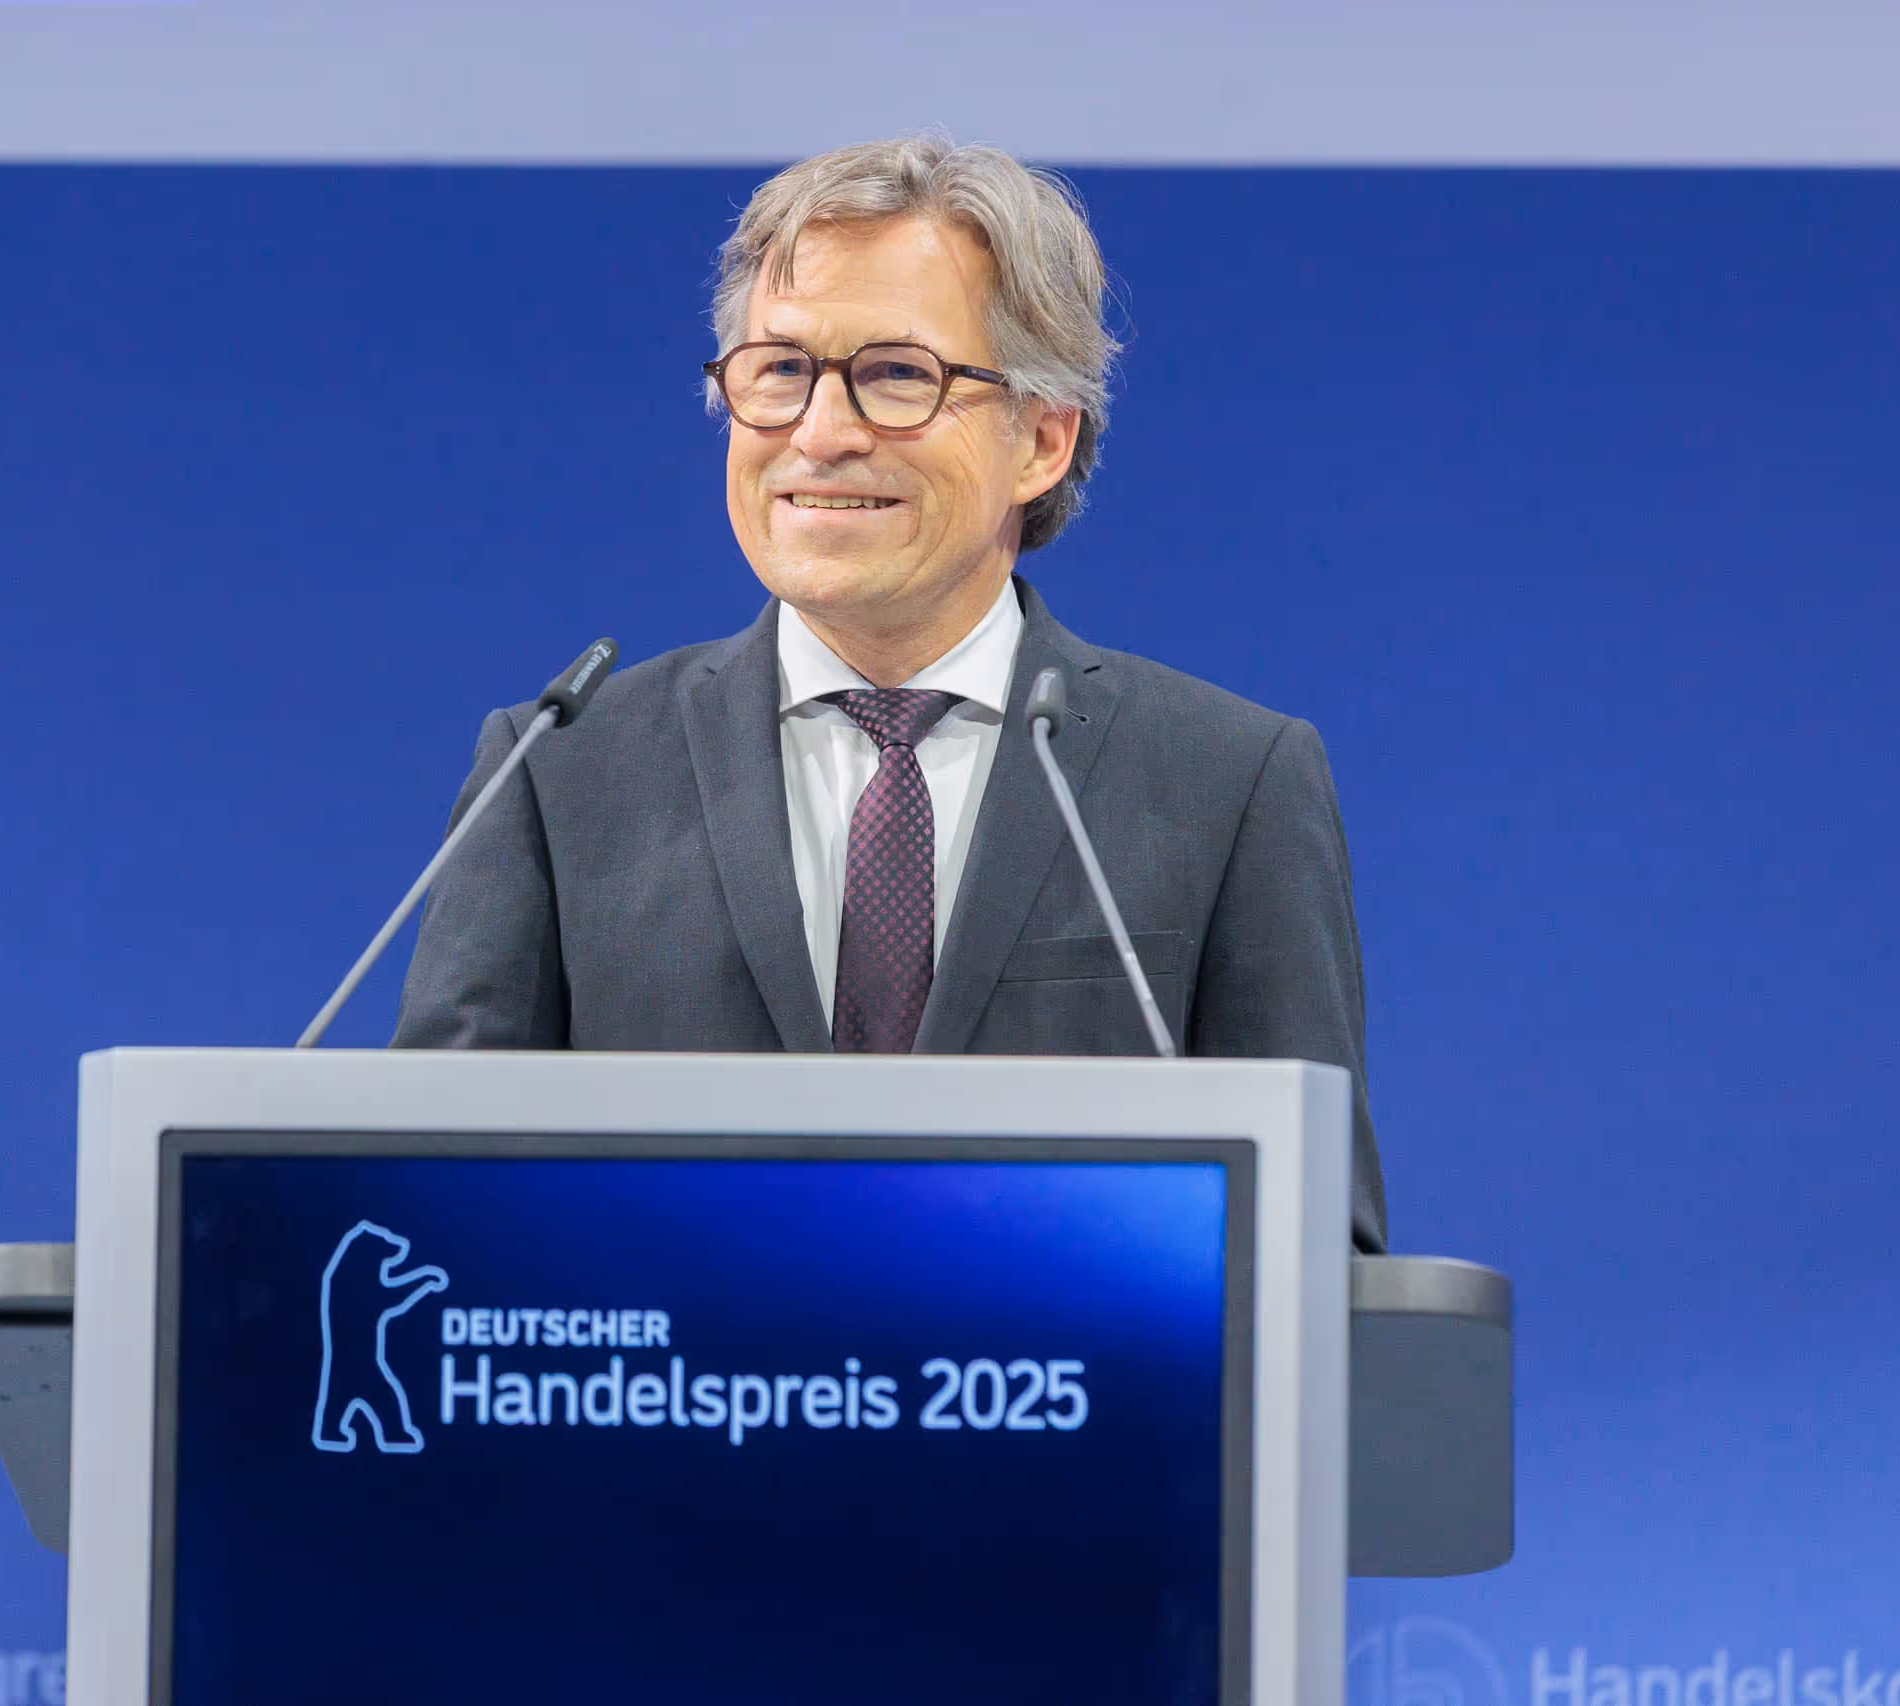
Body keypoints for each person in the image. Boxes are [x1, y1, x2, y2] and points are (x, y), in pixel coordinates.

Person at [392, 134, 1385, 1252]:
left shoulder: (1229, 784)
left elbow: (1316, 1251)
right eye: (779, 370)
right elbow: (427, 1206)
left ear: (1041, 439)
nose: (821, 434)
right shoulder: (557, 773)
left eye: (899, 376)